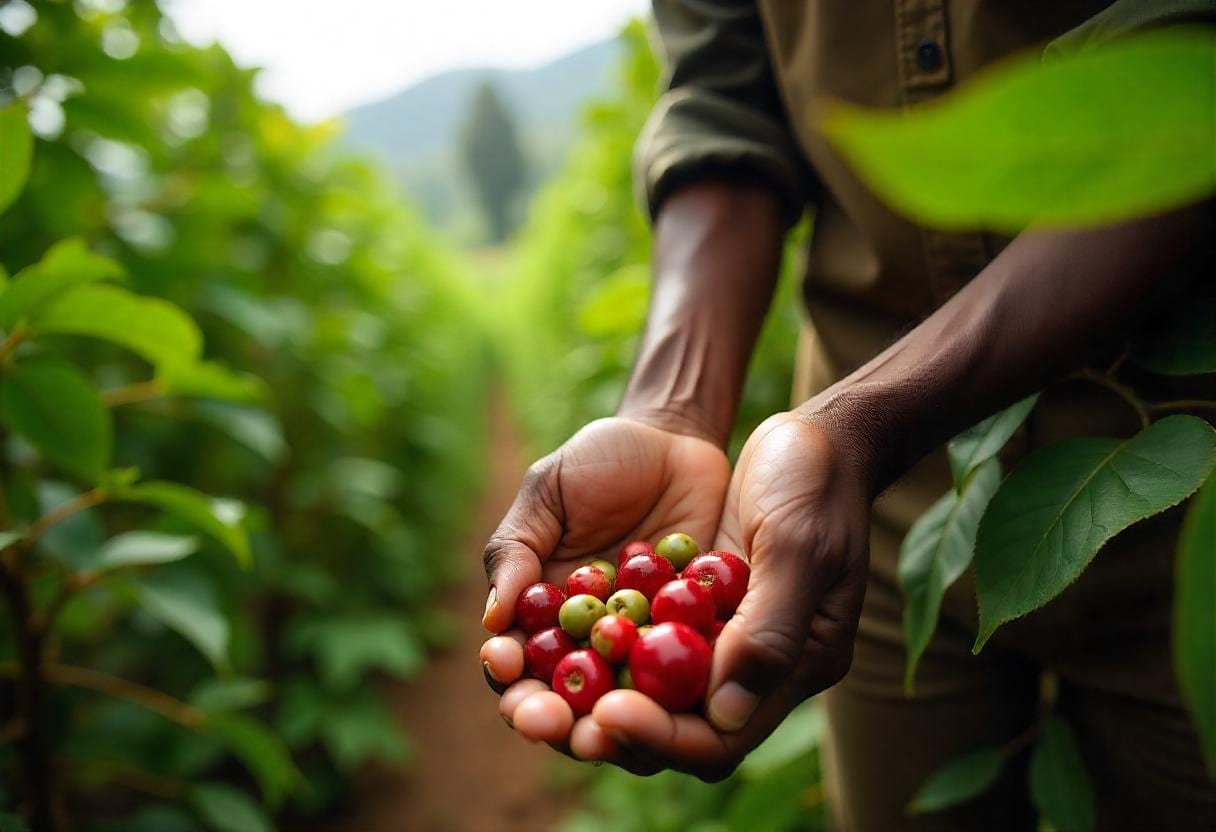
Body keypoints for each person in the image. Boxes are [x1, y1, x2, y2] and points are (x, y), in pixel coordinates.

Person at [479, 1, 1216, 828]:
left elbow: (1191, 84)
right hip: (860, 510)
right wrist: (671, 411)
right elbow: (724, 104)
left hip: (1179, 491)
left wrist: (861, 423)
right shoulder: (815, 496)